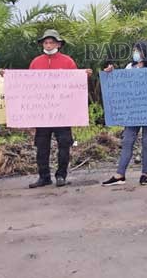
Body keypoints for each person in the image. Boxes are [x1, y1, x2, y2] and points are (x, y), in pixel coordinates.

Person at [27, 29, 91, 188]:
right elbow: (25, 85)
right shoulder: (35, 62)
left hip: (63, 112)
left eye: (51, 42)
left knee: (64, 144)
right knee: (41, 146)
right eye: (46, 42)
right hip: (42, 112)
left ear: (58, 44)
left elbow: (76, 84)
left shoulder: (68, 61)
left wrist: (84, 75)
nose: (48, 45)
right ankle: (44, 177)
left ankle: (61, 175)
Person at [102, 41, 147, 187]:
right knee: (127, 141)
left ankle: (144, 174)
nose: (135, 53)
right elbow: (121, 83)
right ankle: (120, 174)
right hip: (132, 111)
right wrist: (111, 73)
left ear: (145, 52)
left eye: (137, 50)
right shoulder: (129, 67)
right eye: (134, 50)